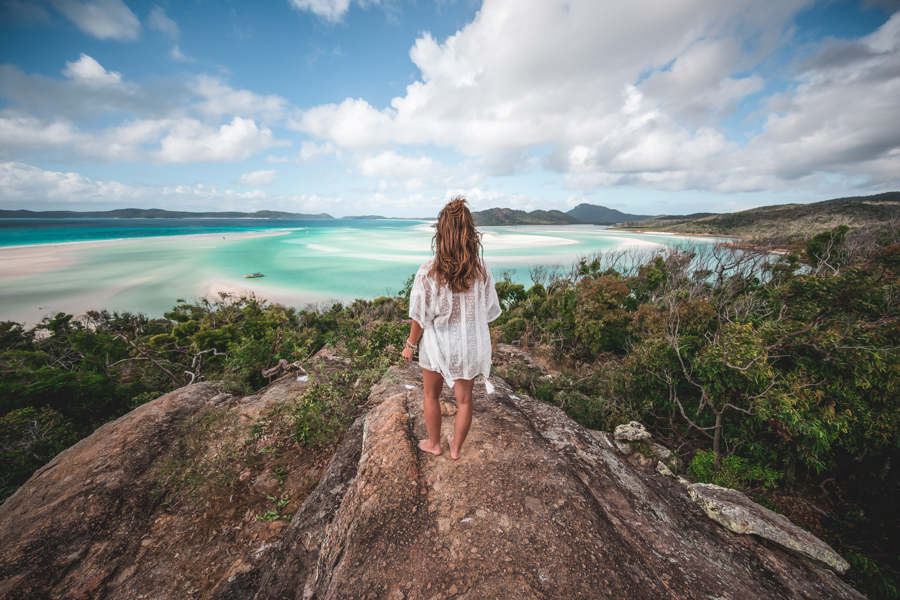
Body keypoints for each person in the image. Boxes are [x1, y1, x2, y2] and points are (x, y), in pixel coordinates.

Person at [401, 197, 502, 459]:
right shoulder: (481, 269)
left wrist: (410, 345)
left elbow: (420, 316)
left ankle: (434, 444)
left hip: (437, 345)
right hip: (469, 343)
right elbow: (488, 307)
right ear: (470, 232)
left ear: (441, 233)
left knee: (431, 395)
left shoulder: (429, 271)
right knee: (465, 400)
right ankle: (455, 447)